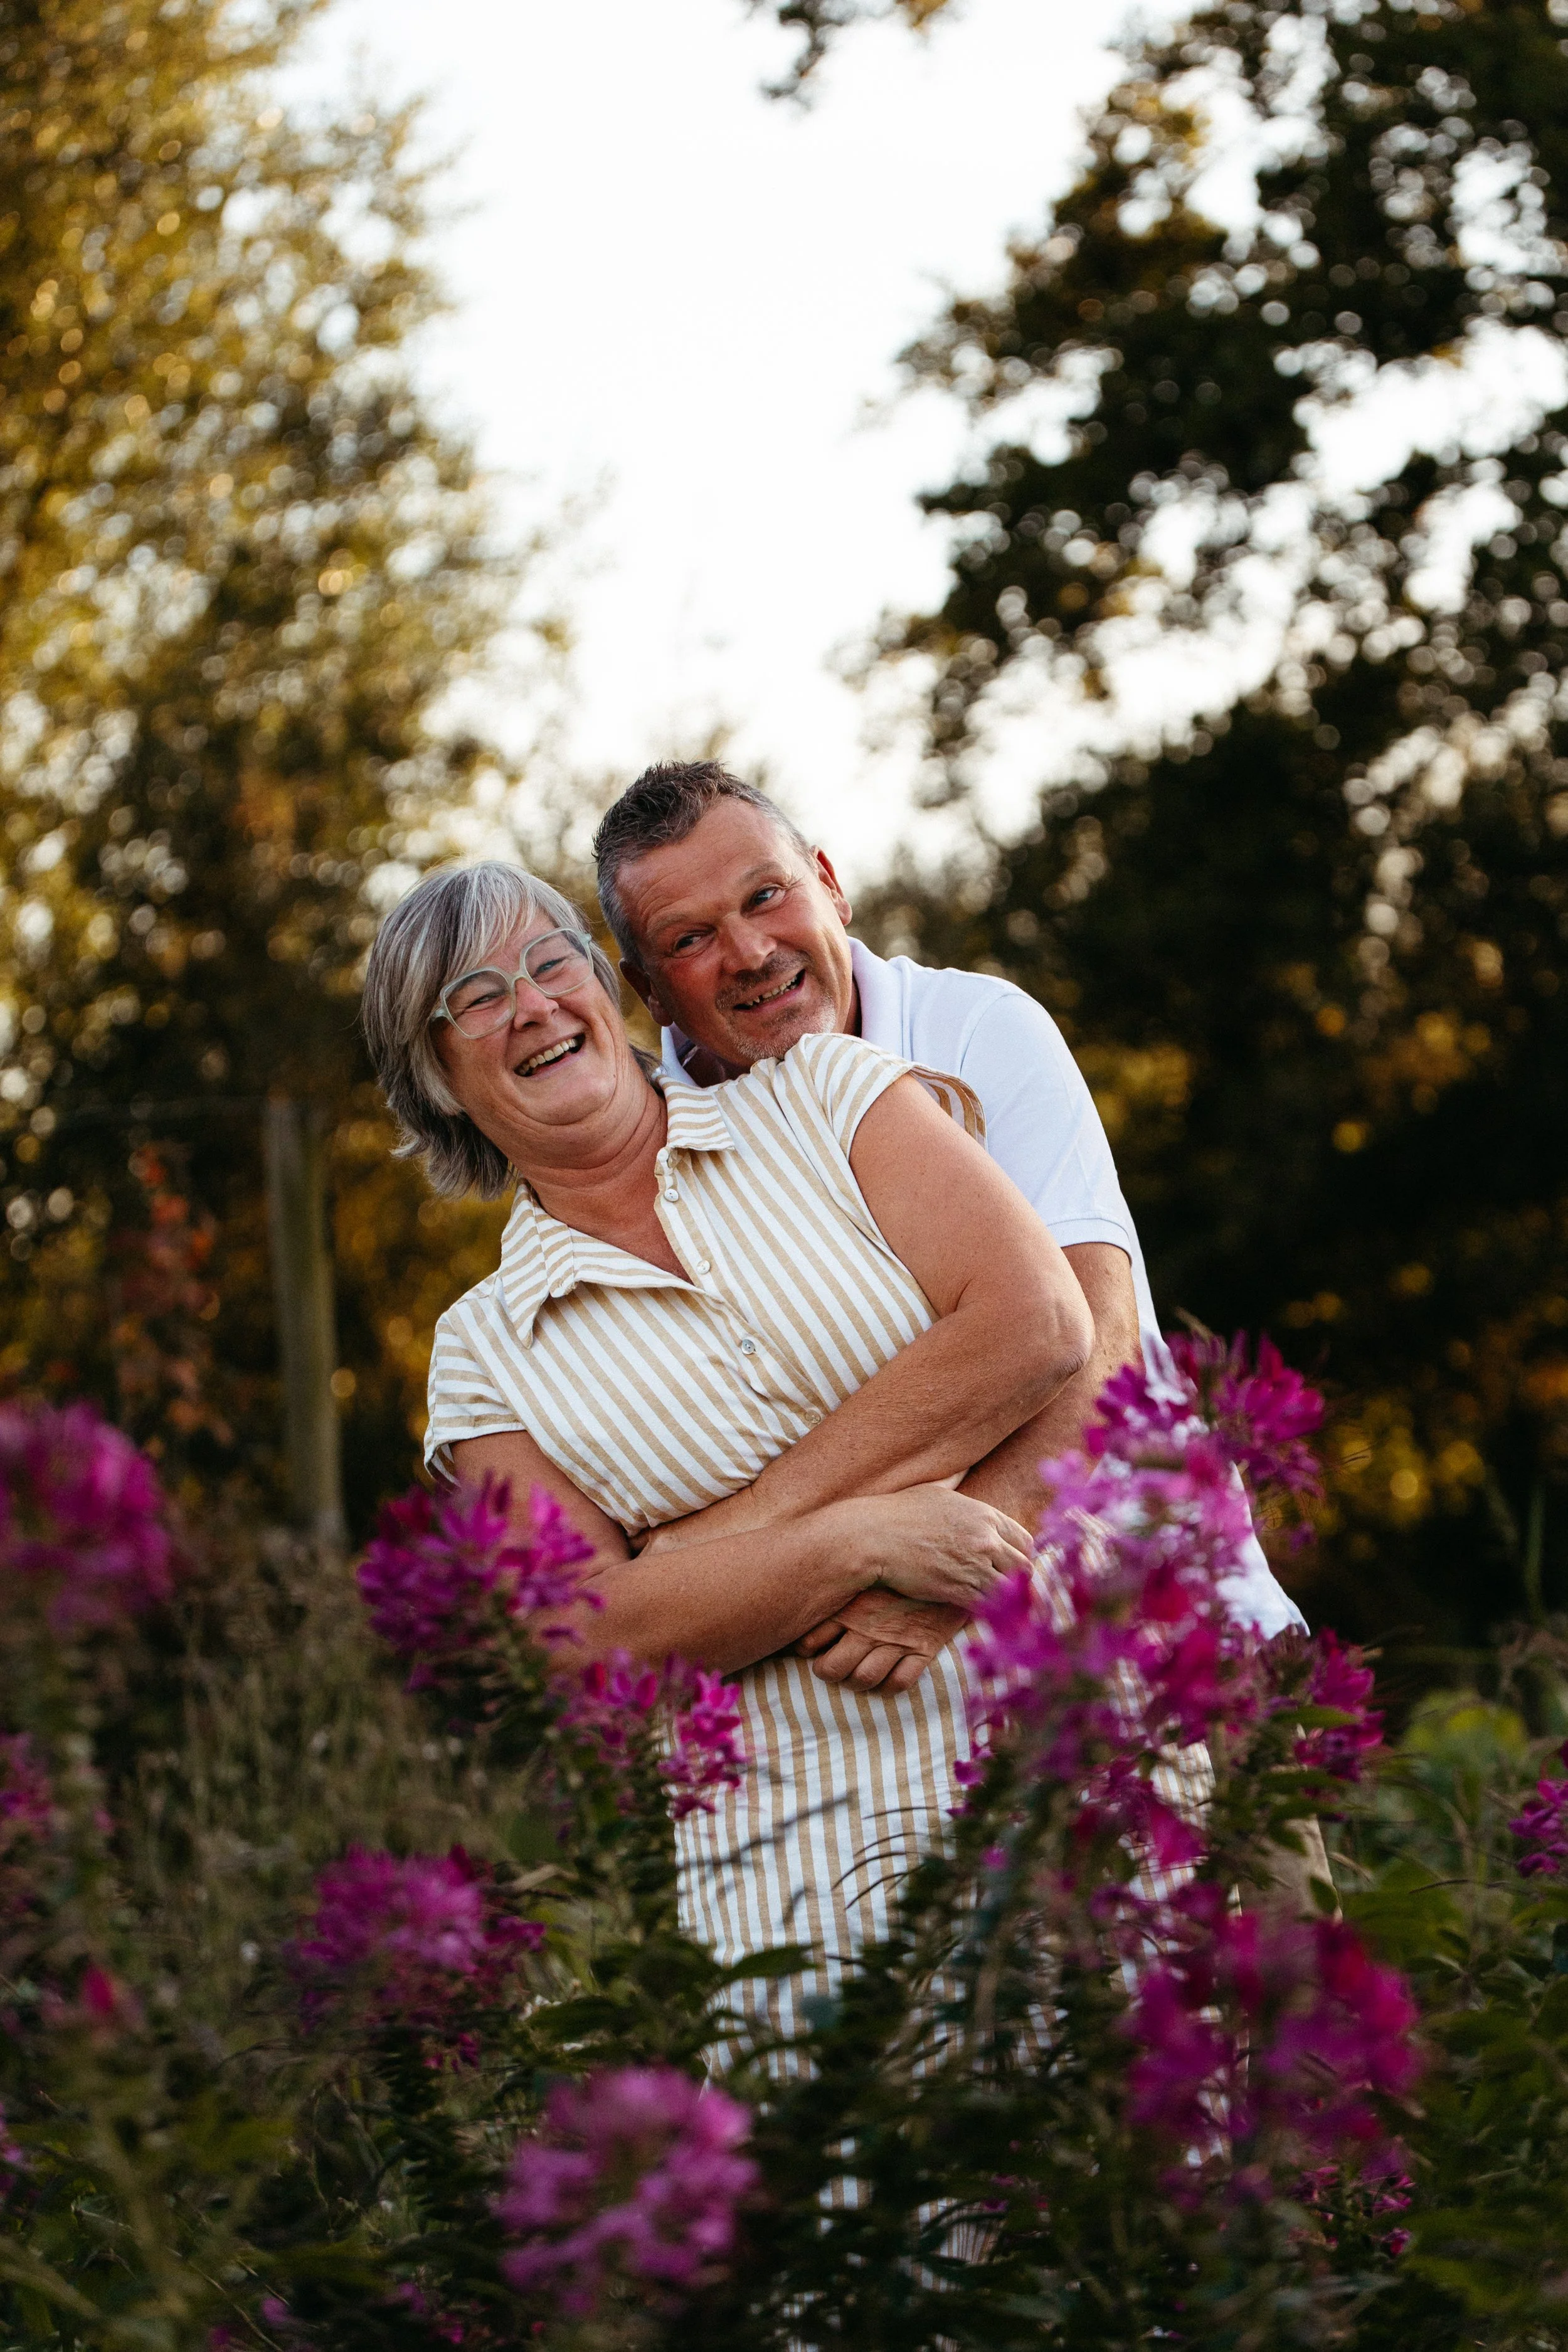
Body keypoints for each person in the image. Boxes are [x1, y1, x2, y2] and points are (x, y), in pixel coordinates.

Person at [362, 859, 1184, 2050]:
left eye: (551, 963)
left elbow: (1040, 1321)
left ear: (605, 988)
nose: (533, 1005)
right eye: (475, 998)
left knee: (1172, 2198)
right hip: (792, 1887)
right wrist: (858, 1540)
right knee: (886, 2228)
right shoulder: (484, 1353)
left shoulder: (826, 1094)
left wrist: (714, 1547)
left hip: (1073, 1753)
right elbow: (587, 1641)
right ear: (434, 1078)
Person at [591, 760, 1306, 1693]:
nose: (751, 952)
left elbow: (1099, 1350)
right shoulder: (652, 1149)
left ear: (830, 884)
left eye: (767, 895)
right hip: (886, 1725)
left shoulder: (978, 1027)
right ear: (648, 990)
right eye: (692, 937)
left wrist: (943, 1565)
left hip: (1166, 1621)